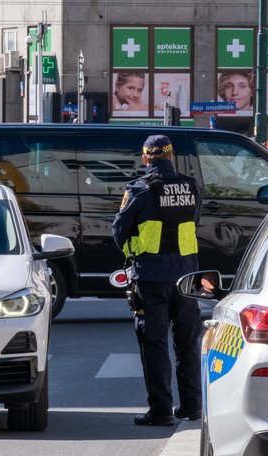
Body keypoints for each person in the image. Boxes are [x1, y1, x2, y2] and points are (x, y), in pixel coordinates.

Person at [112, 134, 204, 426]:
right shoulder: (190, 187)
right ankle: (192, 406)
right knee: (188, 342)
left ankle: (162, 410)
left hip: (151, 276)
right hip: (187, 276)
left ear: (145, 159)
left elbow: (119, 231)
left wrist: (132, 255)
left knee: (154, 343)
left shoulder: (140, 189)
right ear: (171, 156)